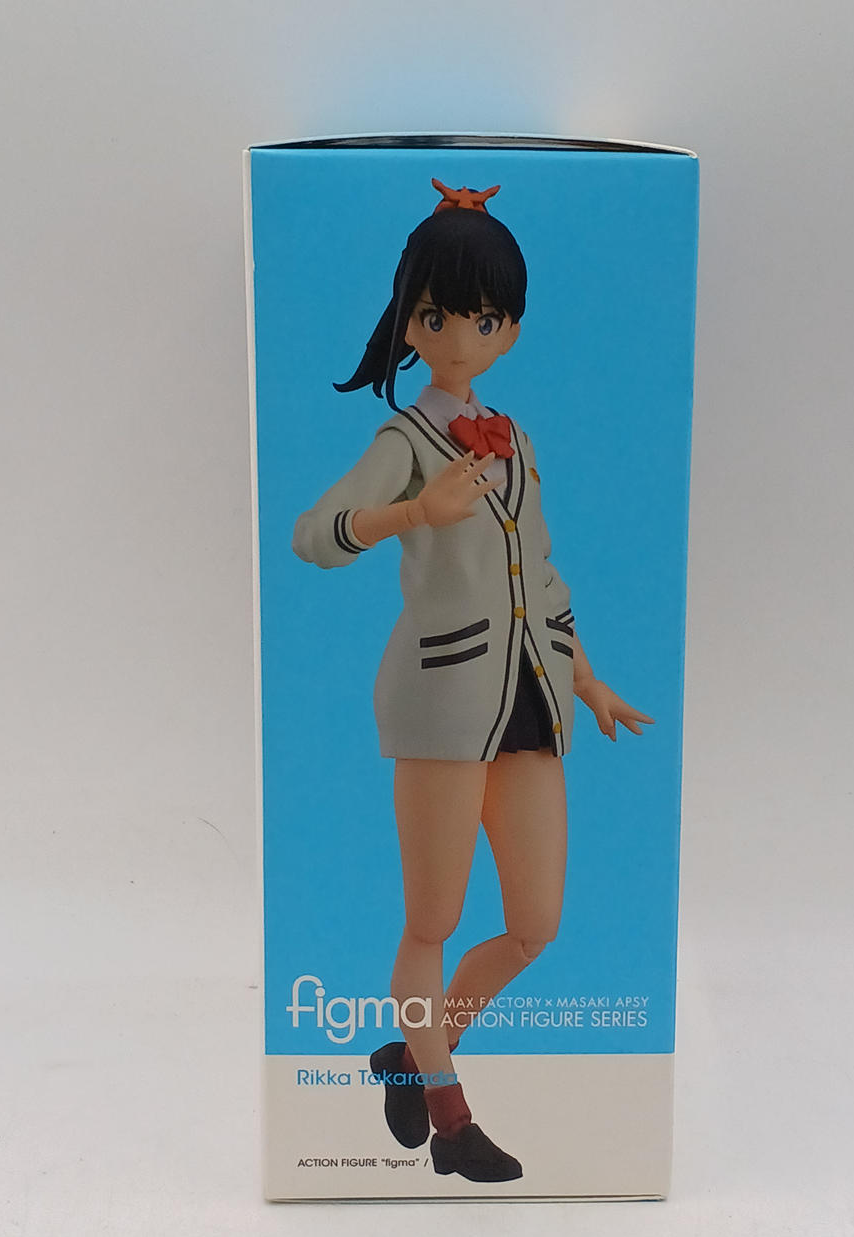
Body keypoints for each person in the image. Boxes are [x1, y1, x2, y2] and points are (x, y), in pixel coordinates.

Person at [292, 178, 652, 1182]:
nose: (461, 335)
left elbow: (542, 574)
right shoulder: (403, 443)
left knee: (535, 924)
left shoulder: (516, 441)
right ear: (411, 321)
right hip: (443, 703)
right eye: (439, 314)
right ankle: (450, 1121)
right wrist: (416, 513)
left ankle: (414, 1055)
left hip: (531, 699)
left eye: (485, 318)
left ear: (511, 329)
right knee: (434, 921)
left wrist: (588, 678)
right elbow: (314, 535)